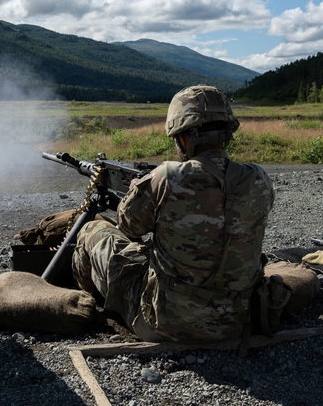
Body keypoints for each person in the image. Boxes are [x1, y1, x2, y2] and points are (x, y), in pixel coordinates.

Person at [71, 84, 276, 344]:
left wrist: (138, 191)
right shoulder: (258, 177)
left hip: (165, 323)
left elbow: (129, 228)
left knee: (93, 231)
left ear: (183, 138)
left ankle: (86, 307)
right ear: (227, 132)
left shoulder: (166, 177)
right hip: (237, 320)